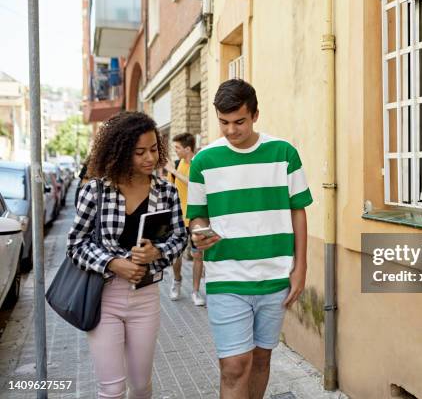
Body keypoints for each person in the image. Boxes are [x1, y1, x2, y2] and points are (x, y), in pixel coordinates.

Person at [187, 79, 312, 399]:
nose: (231, 130)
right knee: (234, 365)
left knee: (260, 359)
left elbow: (298, 211)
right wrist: (199, 233)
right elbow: (197, 215)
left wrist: (301, 268)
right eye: (223, 122)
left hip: (275, 275)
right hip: (225, 276)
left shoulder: (283, 153)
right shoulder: (203, 161)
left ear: (255, 115)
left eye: (239, 121)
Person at [66, 111, 187, 398]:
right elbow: (75, 244)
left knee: (141, 386)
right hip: (103, 297)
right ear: (120, 152)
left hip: (146, 299)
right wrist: (113, 263)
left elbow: (179, 237)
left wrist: (157, 252)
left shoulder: (166, 192)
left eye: (154, 149)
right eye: (139, 152)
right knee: (112, 389)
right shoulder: (95, 191)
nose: (150, 158)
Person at [165, 132, 205, 305]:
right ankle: (177, 280)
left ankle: (196, 292)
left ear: (188, 149)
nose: (176, 152)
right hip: (178, 218)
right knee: (176, 255)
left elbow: (194, 183)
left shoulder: (199, 164)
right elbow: (169, 190)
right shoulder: (175, 165)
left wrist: (173, 171)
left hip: (197, 218)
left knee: (198, 255)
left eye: (178, 148)